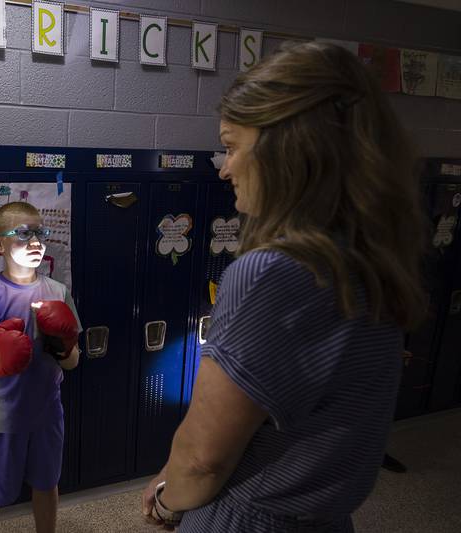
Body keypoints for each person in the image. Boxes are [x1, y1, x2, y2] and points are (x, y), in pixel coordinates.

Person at [141, 41, 426, 532]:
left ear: (287, 146)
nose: (224, 167)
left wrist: (168, 500)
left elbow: (204, 458)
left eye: (231, 145)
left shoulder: (271, 272)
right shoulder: (370, 263)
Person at [0, 201, 81, 533]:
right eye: (23, 234)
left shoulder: (58, 292)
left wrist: (63, 347)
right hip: (0, 419)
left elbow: (73, 361)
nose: (35, 243)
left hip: (46, 415)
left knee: (46, 484)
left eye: (40, 233)